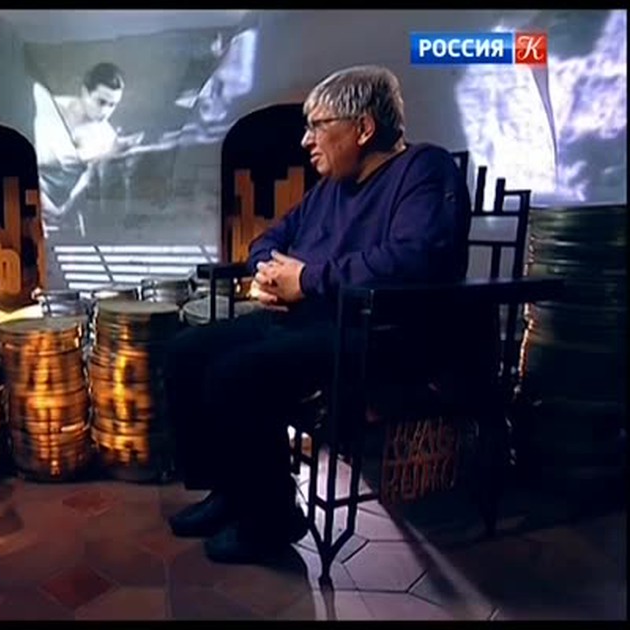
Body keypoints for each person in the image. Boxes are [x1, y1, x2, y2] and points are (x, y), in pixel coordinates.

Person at [163, 65, 472, 564]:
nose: (306, 140)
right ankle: (231, 490)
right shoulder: (330, 187)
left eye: (317, 126)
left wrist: (307, 279)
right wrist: (267, 274)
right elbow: (270, 238)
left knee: (236, 374)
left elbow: (415, 259)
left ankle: (271, 519)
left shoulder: (425, 169)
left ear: (363, 127)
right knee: (185, 353)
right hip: (310, 319)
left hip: (381, 331)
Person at [33, 62, 144, 235]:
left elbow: (85, 181)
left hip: (59, 208)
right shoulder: (50, 108)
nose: (106, 111)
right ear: (85, 92)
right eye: (101, 102)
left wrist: (61, 211)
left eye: (112, 105)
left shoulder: (107, 137)